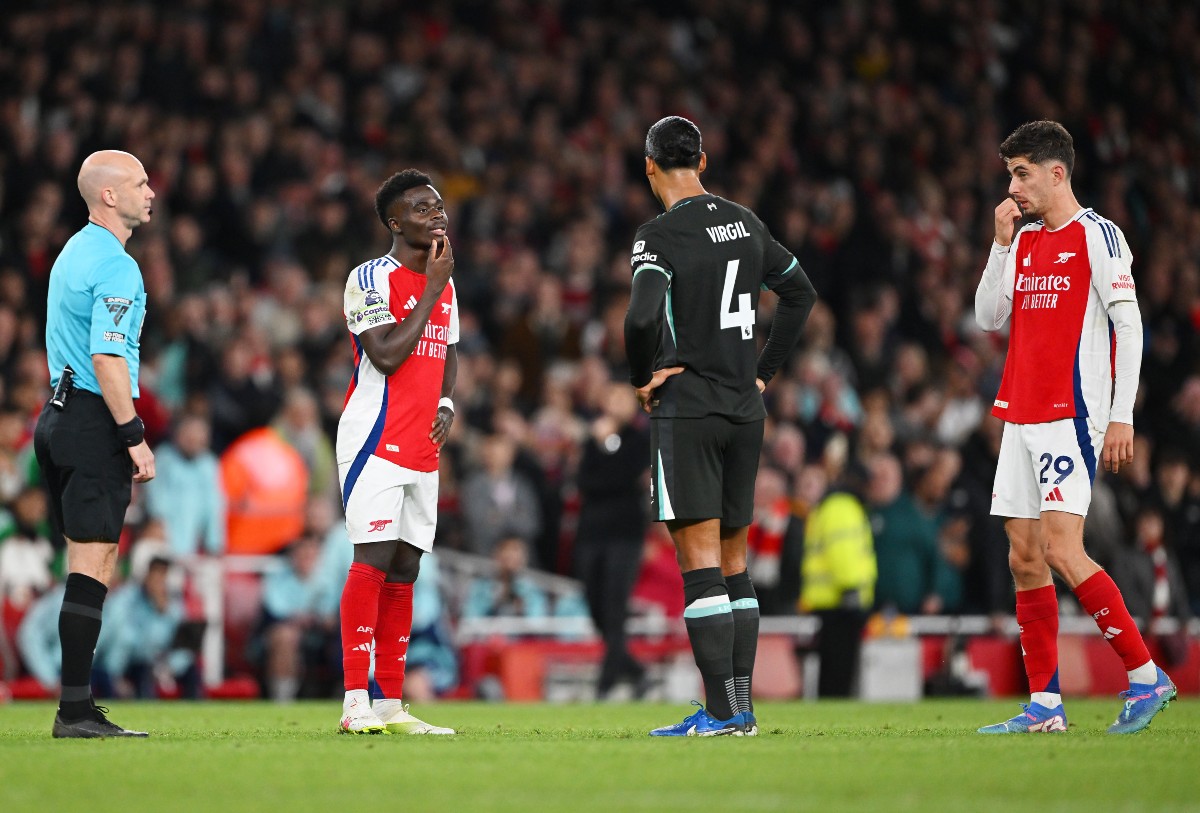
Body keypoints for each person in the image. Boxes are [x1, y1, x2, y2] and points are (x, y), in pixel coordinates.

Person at [974, 120, 1175, 734]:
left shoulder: (1099, 236)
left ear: (1057, 172)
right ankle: (1045, 706)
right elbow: (988, 317)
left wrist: (1122, 415)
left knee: (1064, 549)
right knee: (1024, 558)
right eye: (1011, 173)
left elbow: (1130, 326)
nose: (1013, 186)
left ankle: (1146, 677)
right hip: (1020, 416)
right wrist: (1001, 244)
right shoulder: (1026, 240)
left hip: (1071, 416)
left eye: (1022, 173)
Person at [624, 117, 816, 736]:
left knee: (699, 561)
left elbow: (641, 315)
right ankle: (740, 709)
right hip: (745, 411)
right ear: (702, 161)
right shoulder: (747, 222)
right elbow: (799, 294)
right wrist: (762, 375)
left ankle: (720, 712)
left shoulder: (659, 235)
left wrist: (641, 375)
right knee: (736, 563)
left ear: (649, 166)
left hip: (690, 409)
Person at [32, 150, 156, 738]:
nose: (150, 190)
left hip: (57, 414)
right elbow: (107, 355)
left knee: (93, 559)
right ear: (110, 196)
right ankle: (75, 711)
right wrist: (132, 434)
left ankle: (77, 706)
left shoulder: (72, 252)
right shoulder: (116, 266)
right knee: (92, 562)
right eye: (139, 182)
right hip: (91, 420)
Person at [335, 169, 457, 735]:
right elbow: (383, 356)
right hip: (374, 437)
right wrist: (430, 288)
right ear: (394, 221)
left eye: (437, 205)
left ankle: (390, 705)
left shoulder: (446, 282)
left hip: (421, 444)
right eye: (422, 207)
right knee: (374, 559)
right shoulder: (369, 278)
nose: (436, 213)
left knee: (407, 567)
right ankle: (355, 702)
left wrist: (448, 403)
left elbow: (447, 350)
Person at [574, 381, 651, 699]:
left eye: (623, 397)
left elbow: (622, 475)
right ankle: (633, 668)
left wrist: (607, 445)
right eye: (612, 396)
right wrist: (602, 446)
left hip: (625, 534)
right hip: (592, 533)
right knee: (594, 604)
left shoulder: (640, 438)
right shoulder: (592, 438)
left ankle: (604, 685)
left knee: (614, 605)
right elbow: (584, 481)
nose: (616, 402)